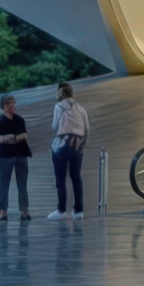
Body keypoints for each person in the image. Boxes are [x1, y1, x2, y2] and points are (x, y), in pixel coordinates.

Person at [49, 81, 89, 220]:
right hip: (78, 145)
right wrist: (83, 144)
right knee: (76, 176)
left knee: (60, 178)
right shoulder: (81, 108)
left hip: (63, 144)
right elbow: (87, 129)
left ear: (60, 93)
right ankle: (78, 210)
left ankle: (61, 210)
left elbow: (55, 126)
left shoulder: (59, 106)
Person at [0, 94, 31, 221]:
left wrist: (11, 138)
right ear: (5, 106)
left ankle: (24, 211)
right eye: (12, 103)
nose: (14, 105)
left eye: (15, 102)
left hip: (20, 154)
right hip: (5, 156)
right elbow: (1, 139)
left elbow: (24, 136)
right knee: (4, 183)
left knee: (22, 184)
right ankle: (2, 211)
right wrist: (15, 138)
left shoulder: (19, 119)